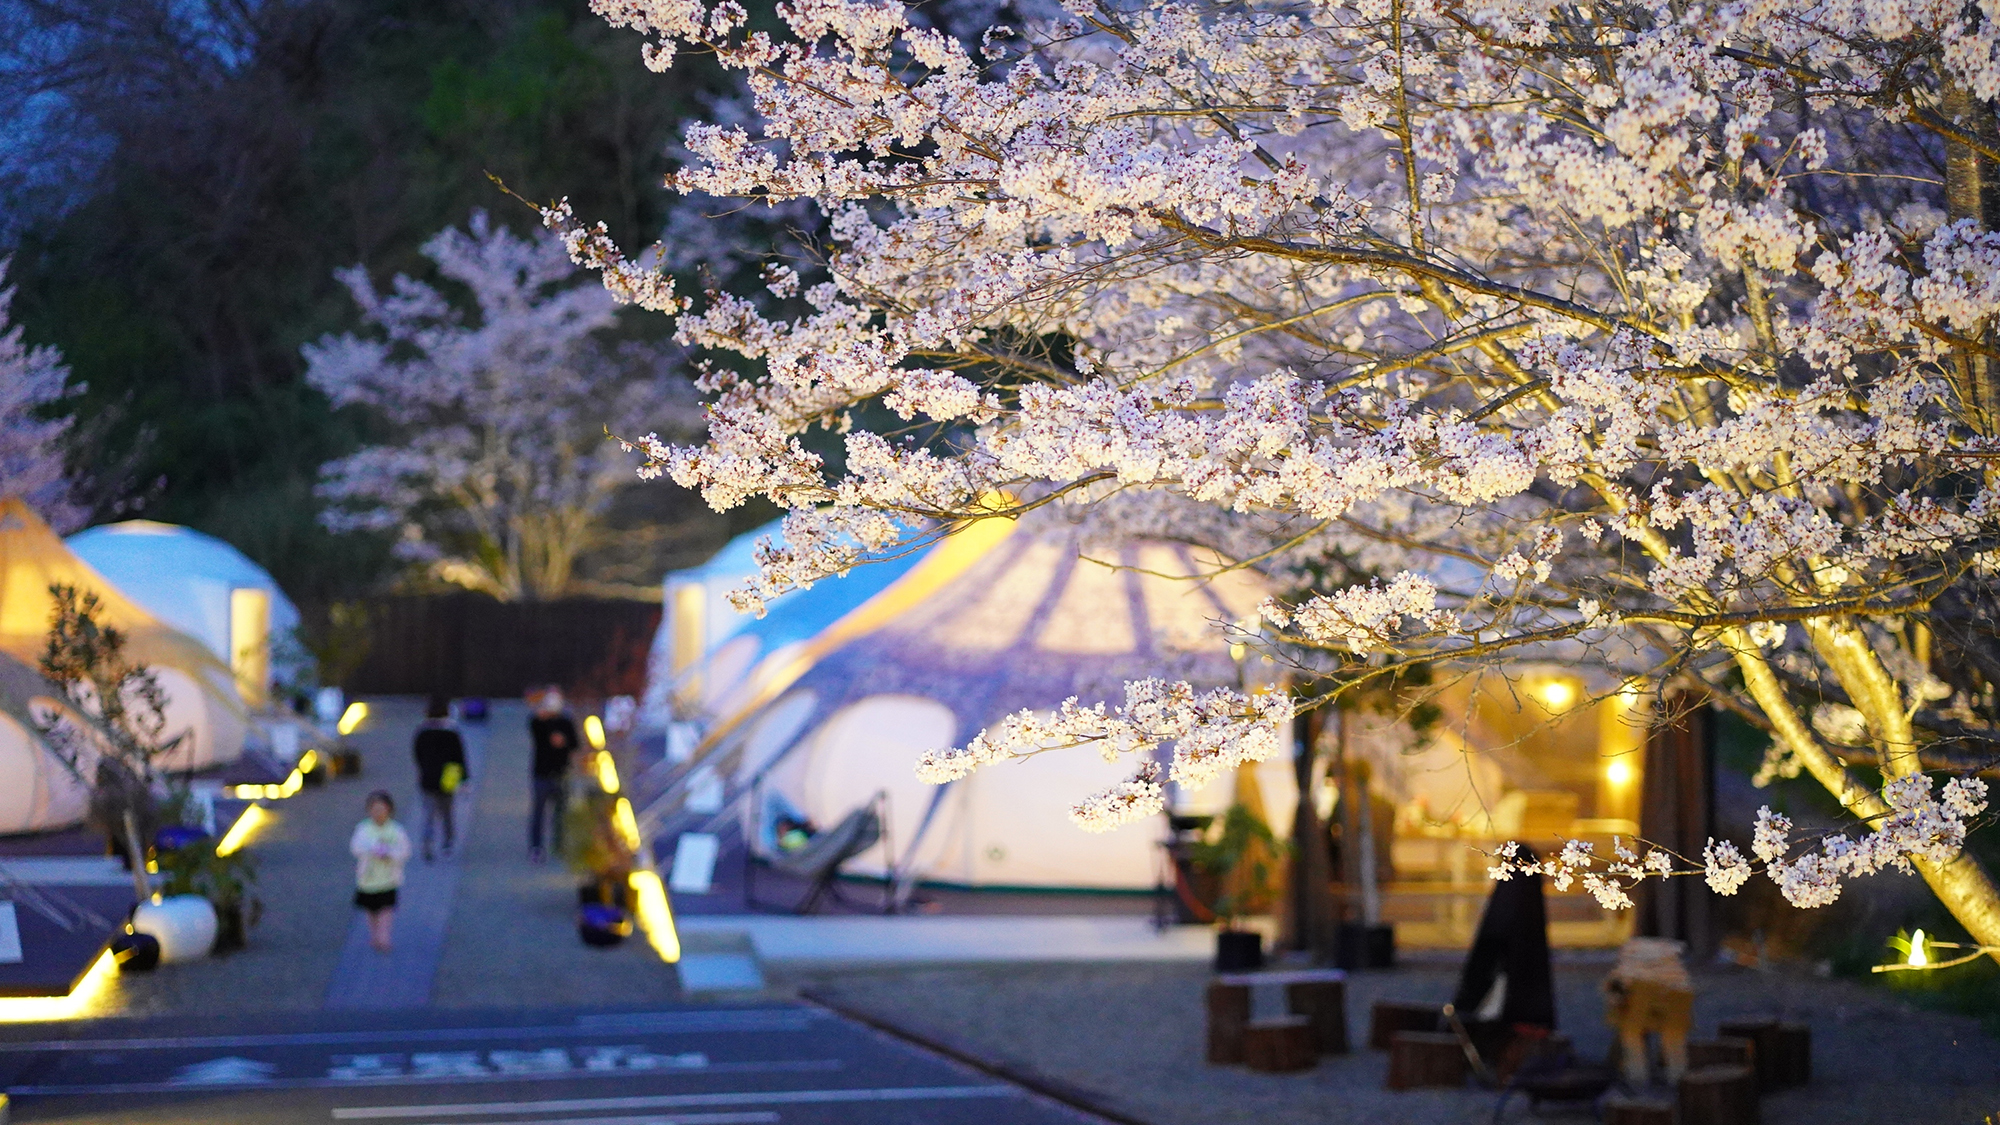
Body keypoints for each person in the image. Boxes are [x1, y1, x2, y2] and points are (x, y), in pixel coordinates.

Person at [350, 791, 411, 952]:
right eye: (375, 809)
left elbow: (404, 851)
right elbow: (355, 848)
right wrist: (372, 850)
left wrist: (389, 853)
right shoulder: (363, 829)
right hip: (368, 879)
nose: (378, 813)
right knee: (371, 910)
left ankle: (384, 936)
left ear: (389, 810)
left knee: (386, 908)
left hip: (388, 878)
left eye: (381, 809)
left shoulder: (396, 830)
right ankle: (375, 934)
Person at [412, 694, 468, 862]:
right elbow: (459, 757)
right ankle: (448, 842)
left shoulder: (422, 732)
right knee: (447, 813)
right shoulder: (451, 732)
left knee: (428, 814)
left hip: (427, 780)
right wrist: (464, 779)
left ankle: (427, 843)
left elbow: (417, 755)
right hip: (448, 780)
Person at [527, 687, 579, 863]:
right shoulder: (538, 723)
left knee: (561, 813)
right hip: (541, 774)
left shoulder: (566, 723)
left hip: (561, 774)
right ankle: (536, 847)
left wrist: (564, 742)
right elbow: (534, 728)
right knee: (539, 813)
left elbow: (575, 743)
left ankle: (559, 846)